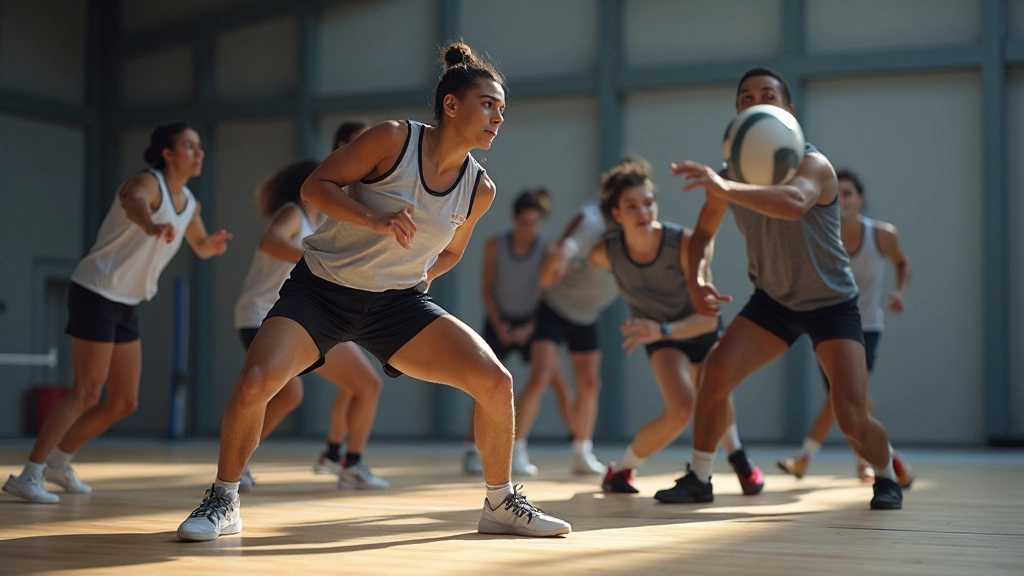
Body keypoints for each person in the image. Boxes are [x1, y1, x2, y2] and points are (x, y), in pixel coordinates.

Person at [177, 43, 571, 541]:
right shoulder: (393, 139)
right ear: (452, 106)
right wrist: (374, 219)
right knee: (256, 382)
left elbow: (451, 252)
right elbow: (315, 187)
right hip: (321, 291)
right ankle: (223, 499)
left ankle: (500, 502)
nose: (497, 117)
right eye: (488, 104)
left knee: (495, 381)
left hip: (398, 305)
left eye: (502, 110)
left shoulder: (479, 189)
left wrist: (420, 277)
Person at [653, 67, 904, 510]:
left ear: (788, 111)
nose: (756, 102)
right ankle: (700, 477)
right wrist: (697, 282)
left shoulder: (814, 164)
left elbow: (793, 205)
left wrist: (725, 186)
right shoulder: (729, 176)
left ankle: (886, 477)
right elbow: (700, 239)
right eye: (746, 97)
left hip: (832, 304)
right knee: (713, 377)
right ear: (737, 113)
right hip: (773, 302)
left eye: (768, 95)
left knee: (851, 415)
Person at [3, 123, 231, 504]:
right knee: (86, 391)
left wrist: (213, 246)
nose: (199, 153)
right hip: (96, 289)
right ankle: (29, 474)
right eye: (189, 146)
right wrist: (150, 223)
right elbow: (134, 204)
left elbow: (201, 245)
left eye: (200, 147)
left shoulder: (191, 203)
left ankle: (60, 462)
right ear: (168, 153)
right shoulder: (147, 182)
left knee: (124, 401)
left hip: (126, 300)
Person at [587, 158, 763, 495]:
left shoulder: (682, 245)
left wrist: (662, 330)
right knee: (682, 409)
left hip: (696, 327)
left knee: (714, 394)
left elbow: (709, 318)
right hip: (660, 336)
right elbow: (577, 272)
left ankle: (738, 457)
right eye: (632, 206)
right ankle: (621, 471)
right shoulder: (603, 254)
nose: (643, 212)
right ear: (616, 214)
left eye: (649, 203)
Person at [233, 160, 387, 491]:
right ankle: (235, 466)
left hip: (303, 318)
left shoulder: (321, 226)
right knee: (287, 393)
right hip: (262, 314)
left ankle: (350, 464)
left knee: (365, 385)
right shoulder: (292, 213)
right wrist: (314, 261)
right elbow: (270, 242)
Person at [777, 169, 914, 487]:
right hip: (830, 326)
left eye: (849, 193)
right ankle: (871, 463)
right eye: (836, 193)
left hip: (866, 328)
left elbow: (903, 263)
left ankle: (806, 457)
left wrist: (900, 292)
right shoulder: (822, 235)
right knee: (849, 401)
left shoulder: (882, 234)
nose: (842, 200)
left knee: (846, 396)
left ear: (860, 198)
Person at [464, 188, 575, 475]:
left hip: (532, 322)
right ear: (514, 219)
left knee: (557, 380)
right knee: (482, 385)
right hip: (499, 320)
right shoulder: (495, 245)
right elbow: (487, 288)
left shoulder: (546, 248)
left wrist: (531, 327)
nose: (530, 229)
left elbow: (545, 292)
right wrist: (499, 324)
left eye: (535, 223)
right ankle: (472, 451)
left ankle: (580, 444)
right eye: (525, 222)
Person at [511, 192, 621, 477]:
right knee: (540, 376)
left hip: (587, 315)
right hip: (555, 307)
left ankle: (582, 453)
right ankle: (516, 450)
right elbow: (564, 252)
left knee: (589, 384)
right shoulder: (591, 221)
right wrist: (559, 258)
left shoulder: (640, 234)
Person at [311, 118, 374, 476]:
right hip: (307, 308)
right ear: (341, 151)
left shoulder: (365, 194)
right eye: (360, 144)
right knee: (281, 394)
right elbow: (272, 242)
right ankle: (349, 462)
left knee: (357, 386)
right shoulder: (326, 196)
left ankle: (335, 456)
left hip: (339, 309)